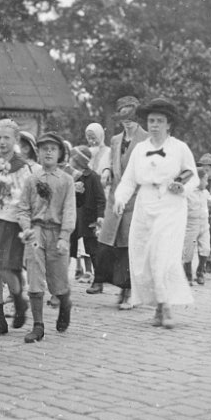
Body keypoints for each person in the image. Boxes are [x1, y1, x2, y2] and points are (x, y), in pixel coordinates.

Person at [112, 97, 198, 328]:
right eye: (151, 121)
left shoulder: (180, 148)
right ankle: (159, 305)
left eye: (160, 121)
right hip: (145, 204)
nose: (155, 125)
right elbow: (129, 180)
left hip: (171, 205)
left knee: (164, 255)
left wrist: (183, 187)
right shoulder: (140, 149)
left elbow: (193, 175)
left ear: (169, 124)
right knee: (146, 258)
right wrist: (120, 199)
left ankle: (167, 307)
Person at [16, 132, 78, 342]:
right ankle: (38, 325)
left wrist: (64, 236)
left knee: (57, 279)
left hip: (57, 232)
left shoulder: (66, 180)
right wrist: (26, 227)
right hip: (37, 231)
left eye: (53, 148)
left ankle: (65, 301)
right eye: (44, 149)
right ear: (38, 154)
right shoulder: (32, 179)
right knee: (34, 275)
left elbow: (69, 210)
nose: (48, 152)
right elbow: (23, 208)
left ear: (60, 153)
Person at [91, 95, 149, 308]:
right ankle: (117, 286)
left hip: (135, 200)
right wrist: (106, 171)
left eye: (131, 117)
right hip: (115, 199)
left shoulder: (146, 140)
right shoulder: (115, 140)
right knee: (110, 244)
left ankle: (129, 291)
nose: (127, 122)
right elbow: (112, 162)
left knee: (129, 245)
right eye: (123, 117)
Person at [0, 119, 34, 338]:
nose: (2, 142)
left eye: (6, 137)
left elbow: (27, 195)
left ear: (15, 139)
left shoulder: (22, 167)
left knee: (5, 267)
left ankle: (18, 299)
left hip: (12, 221)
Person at [68, 145, 107, 289]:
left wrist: (100, 217)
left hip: (90, 219)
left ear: (78, 160)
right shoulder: (73, 176)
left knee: (93, 250)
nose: (70, 160)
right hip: (78, 219)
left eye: (73, 158)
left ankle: (99, 281)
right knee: (76, 248)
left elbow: (101, 199)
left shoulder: (93, 177)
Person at [181, 159, 211, 286]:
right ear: (198, 180)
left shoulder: (205, 193)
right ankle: (188, 275)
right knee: (188, 250)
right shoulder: (188, 193)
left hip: (204, 225)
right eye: (205, 179)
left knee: (206, 248)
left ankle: (200, 272)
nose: (207, 182)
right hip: (191, 225)